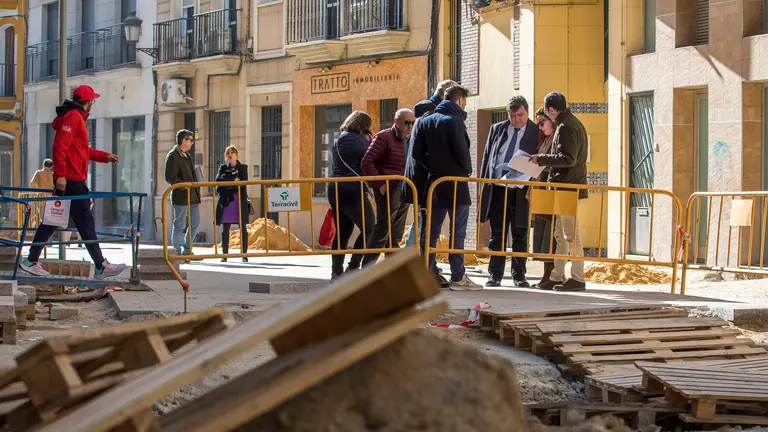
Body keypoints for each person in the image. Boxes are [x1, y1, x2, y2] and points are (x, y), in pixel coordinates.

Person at [19, 85, 125, 279]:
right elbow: (60, 146)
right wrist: (60, 174)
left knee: (52, 221)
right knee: (85, 222)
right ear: (88, 102)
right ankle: (101, 266)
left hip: (69, 180)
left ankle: (30, 260)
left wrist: (105, 157)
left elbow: (83, 150)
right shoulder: (74, 117)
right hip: (72, 180)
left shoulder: (73, 118)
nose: (93, 104)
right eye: (92, 101)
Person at [413, 84, 482, 290]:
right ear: (459, 100)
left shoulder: (426, 120)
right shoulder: (455, 121)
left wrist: (434, 167)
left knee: (431, 232)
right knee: (457, 231)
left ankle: (426, 273)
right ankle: (458, 276)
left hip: (434, 182)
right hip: (455, 183)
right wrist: (466, 170)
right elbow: (462, 151)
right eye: (465, 102)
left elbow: (417, 153)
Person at [530, 92, 589, 292]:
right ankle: (557, 275)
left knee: (570, 234)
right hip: (565, 187)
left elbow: (567, 158)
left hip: (567, 187)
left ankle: (577, 277)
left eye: (547, 112)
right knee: (561, 235)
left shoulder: (566, 127)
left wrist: (542, 159)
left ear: (552, 110)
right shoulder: (571, 124)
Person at [479, 96, 539, 288]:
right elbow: (488, 157)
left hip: (521, 190)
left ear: (527, 112)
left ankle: (519, 275)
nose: (517, 119)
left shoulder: (535, 131)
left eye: (520, 115)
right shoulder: (497, 129)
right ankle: (494, 274)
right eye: (513, 115)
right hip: (499, 187)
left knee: (520, 233)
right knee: (497, 233)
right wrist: (484, 184)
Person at [403, 80, 456, 257]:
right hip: (426, 179)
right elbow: (422, 151)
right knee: (425, 224)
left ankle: (420, 261)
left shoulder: (426, 110)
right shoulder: (430, 112)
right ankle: (421, 263)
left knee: (423, 222)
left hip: (420, 178)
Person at [360, 108, 416, 267]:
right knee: (383, 230)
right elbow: (366, 162)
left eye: (412, 123)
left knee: (396, 233)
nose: (410, 126)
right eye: (407, 122)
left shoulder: (411, 139)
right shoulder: (383, 137)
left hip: (405, 189)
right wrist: (380, 185)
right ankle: (366, 269)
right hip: (389, 189)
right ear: (397, 122)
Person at [327, 111, 376, 280]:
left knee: (342, 232)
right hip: (352, 188)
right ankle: (354, 266)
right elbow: (368, 159)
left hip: (335, 187)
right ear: (364, 125)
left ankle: (336, 271)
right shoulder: (356, 140)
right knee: (370, 228)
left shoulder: (339, 138)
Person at [530, 106, 557, 289]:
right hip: (540, 190)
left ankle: (552, 274)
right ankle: (546, 274)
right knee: (541, 235)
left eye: (542, 123)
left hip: (551, 192)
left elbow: (557, 161)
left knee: (551, 237)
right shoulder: (544, 140)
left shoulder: (557, 139)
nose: (540, 127)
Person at [165, 129, 202, 258]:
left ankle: (187, 249)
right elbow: (170, 177)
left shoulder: (187, 155)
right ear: (184, 141)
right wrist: (184, 186)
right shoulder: (173, 155)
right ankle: (176, 251)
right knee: (180, 224)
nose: (192, 143)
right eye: (191, 140)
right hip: (181, 196)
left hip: (193, 196)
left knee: (195, 224)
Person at [215, 145, 250, 263]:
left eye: (232, 152)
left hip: (239, 200)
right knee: (225, 228)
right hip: (226, 201)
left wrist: (229, 183)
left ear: (237, 155)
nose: (230, 155)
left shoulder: (243, 167)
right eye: (228, 153)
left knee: (243, 228)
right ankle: (224, 254)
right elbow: (218, 181)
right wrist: (232, 182)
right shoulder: (223, 167)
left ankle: (244, 254)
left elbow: (243, 182)